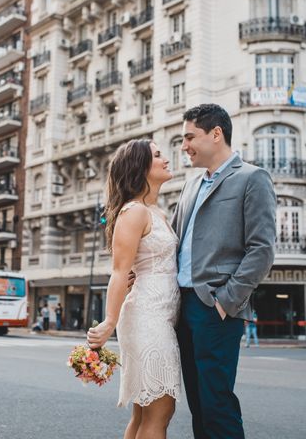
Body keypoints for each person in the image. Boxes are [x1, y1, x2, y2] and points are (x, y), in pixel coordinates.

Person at [172, 104, 276, 439]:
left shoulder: (252, 177)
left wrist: (227, 300)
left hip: (215, 307)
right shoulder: (190, 186)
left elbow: (261, 249)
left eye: (190, 137)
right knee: (199, 402)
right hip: (182, 305)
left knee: (217, 402)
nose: (184, 145)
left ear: (216, 134)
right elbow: (176, 244)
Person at [87, 139, 180, 439]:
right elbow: (119, 270)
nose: (166, 159)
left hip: (159, 316)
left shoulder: (156, 212)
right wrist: (109, 321)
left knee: (144, 413)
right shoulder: (134, 212)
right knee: (159, 412)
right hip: (147, 318)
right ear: (140, 168)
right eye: (157, 155)